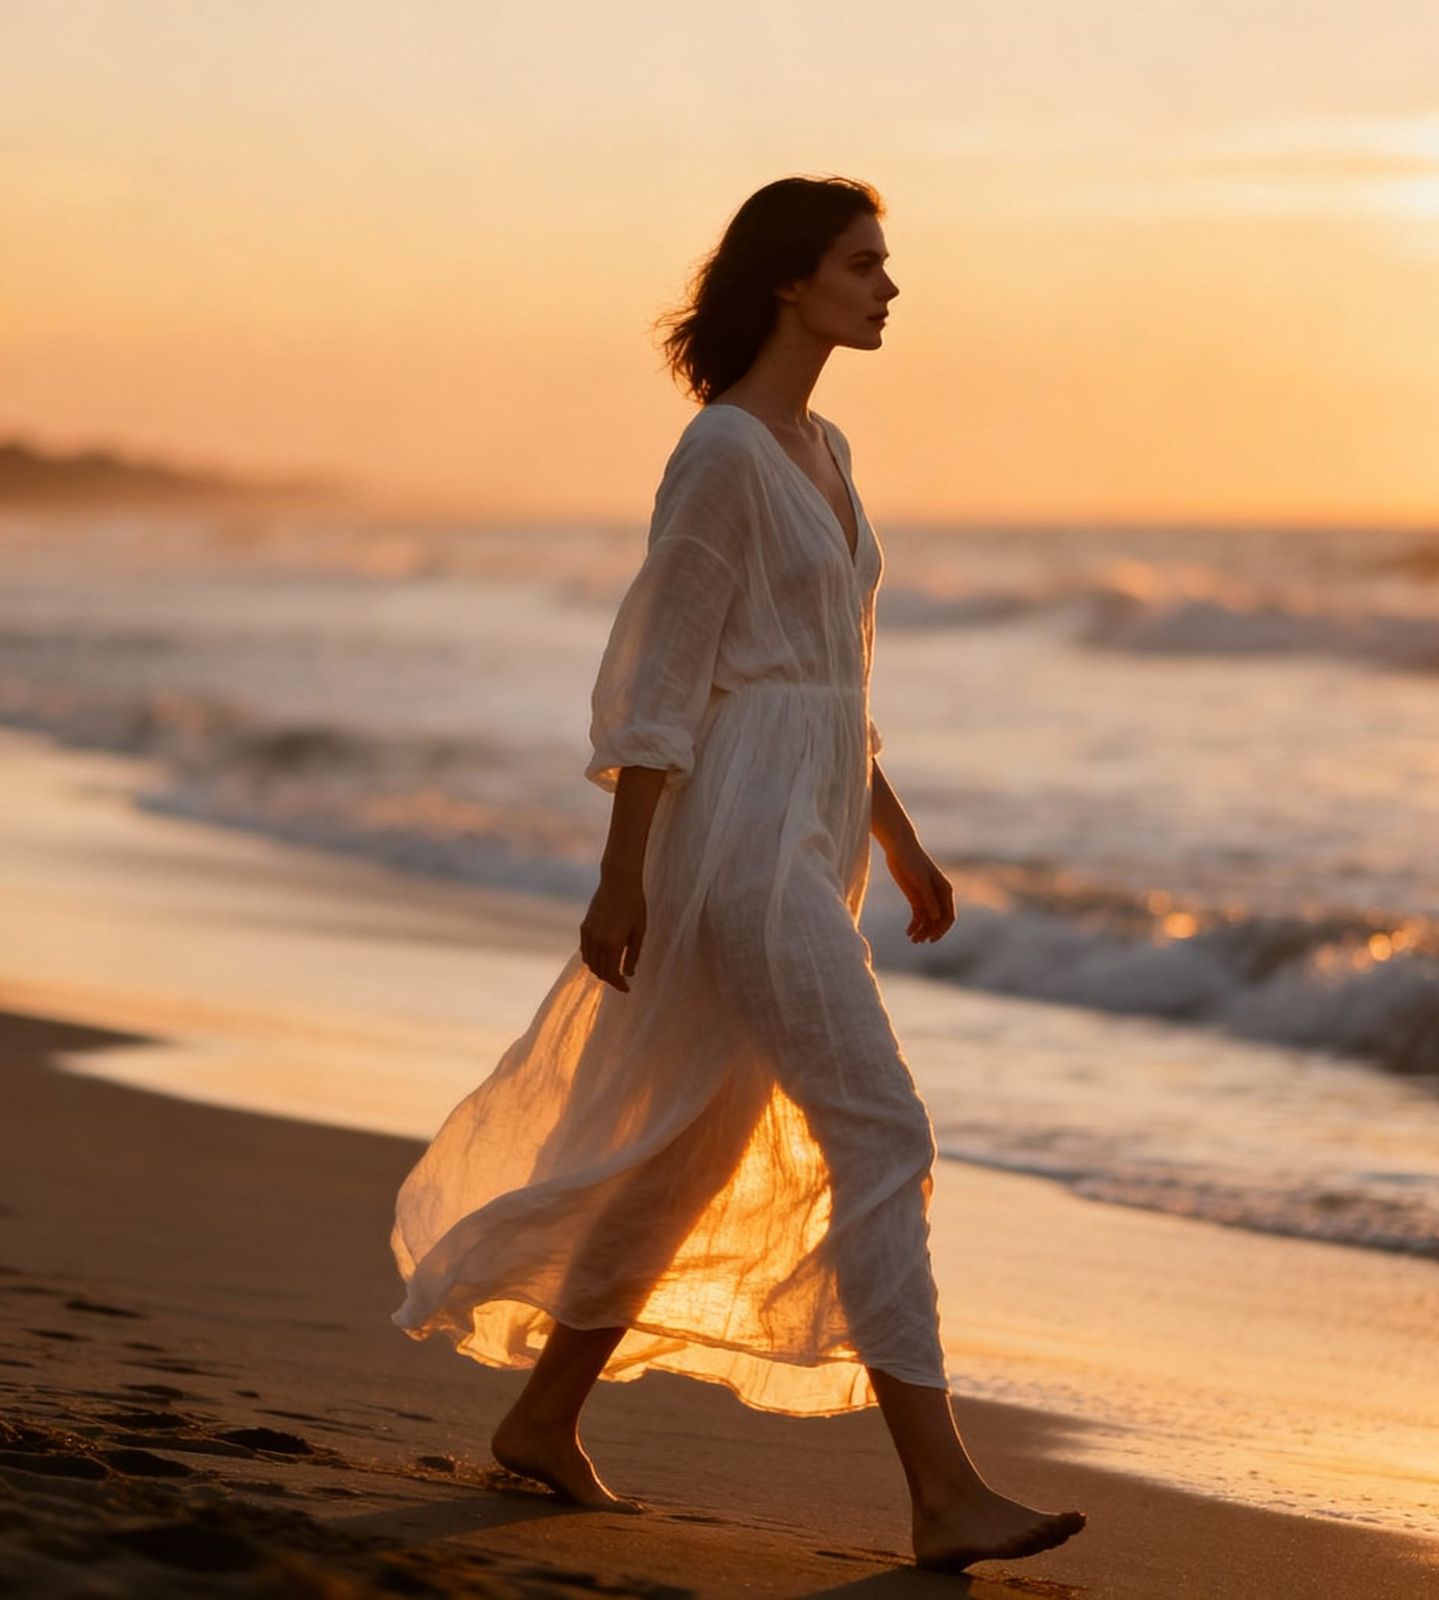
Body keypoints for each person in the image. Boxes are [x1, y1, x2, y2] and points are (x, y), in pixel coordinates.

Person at [389, 174, 1088, 1573]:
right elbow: (668, 676)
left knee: (698, 1139)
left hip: (812, 827)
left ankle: (541, 1418)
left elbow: (832, 680)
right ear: (791, 280)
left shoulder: (822, 444)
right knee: (883, 1131)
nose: (889, 287)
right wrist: (620, 876)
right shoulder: (720, 454)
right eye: (864, 263)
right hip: (745, 843)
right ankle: (942, 1488)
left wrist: (897, 837)